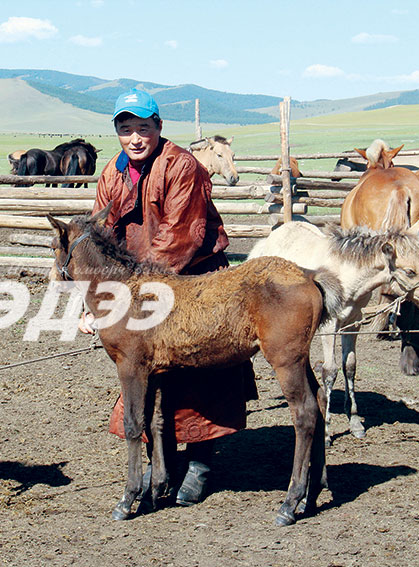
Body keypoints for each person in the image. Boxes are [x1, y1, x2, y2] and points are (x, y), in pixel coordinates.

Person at [83, 88, 256, 506]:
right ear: (118, 133)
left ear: (158, 127)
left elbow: (181, 233)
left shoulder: (182, 166)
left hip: (193, 282)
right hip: (140, 288)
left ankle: (199, 464)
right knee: (148, 378)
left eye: (143, 127)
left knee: (204, 377)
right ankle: (164, 463)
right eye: (126, 130)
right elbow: (99, 240)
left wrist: (136, 291)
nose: (135, 138)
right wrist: (96, 299)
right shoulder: (112, 172)